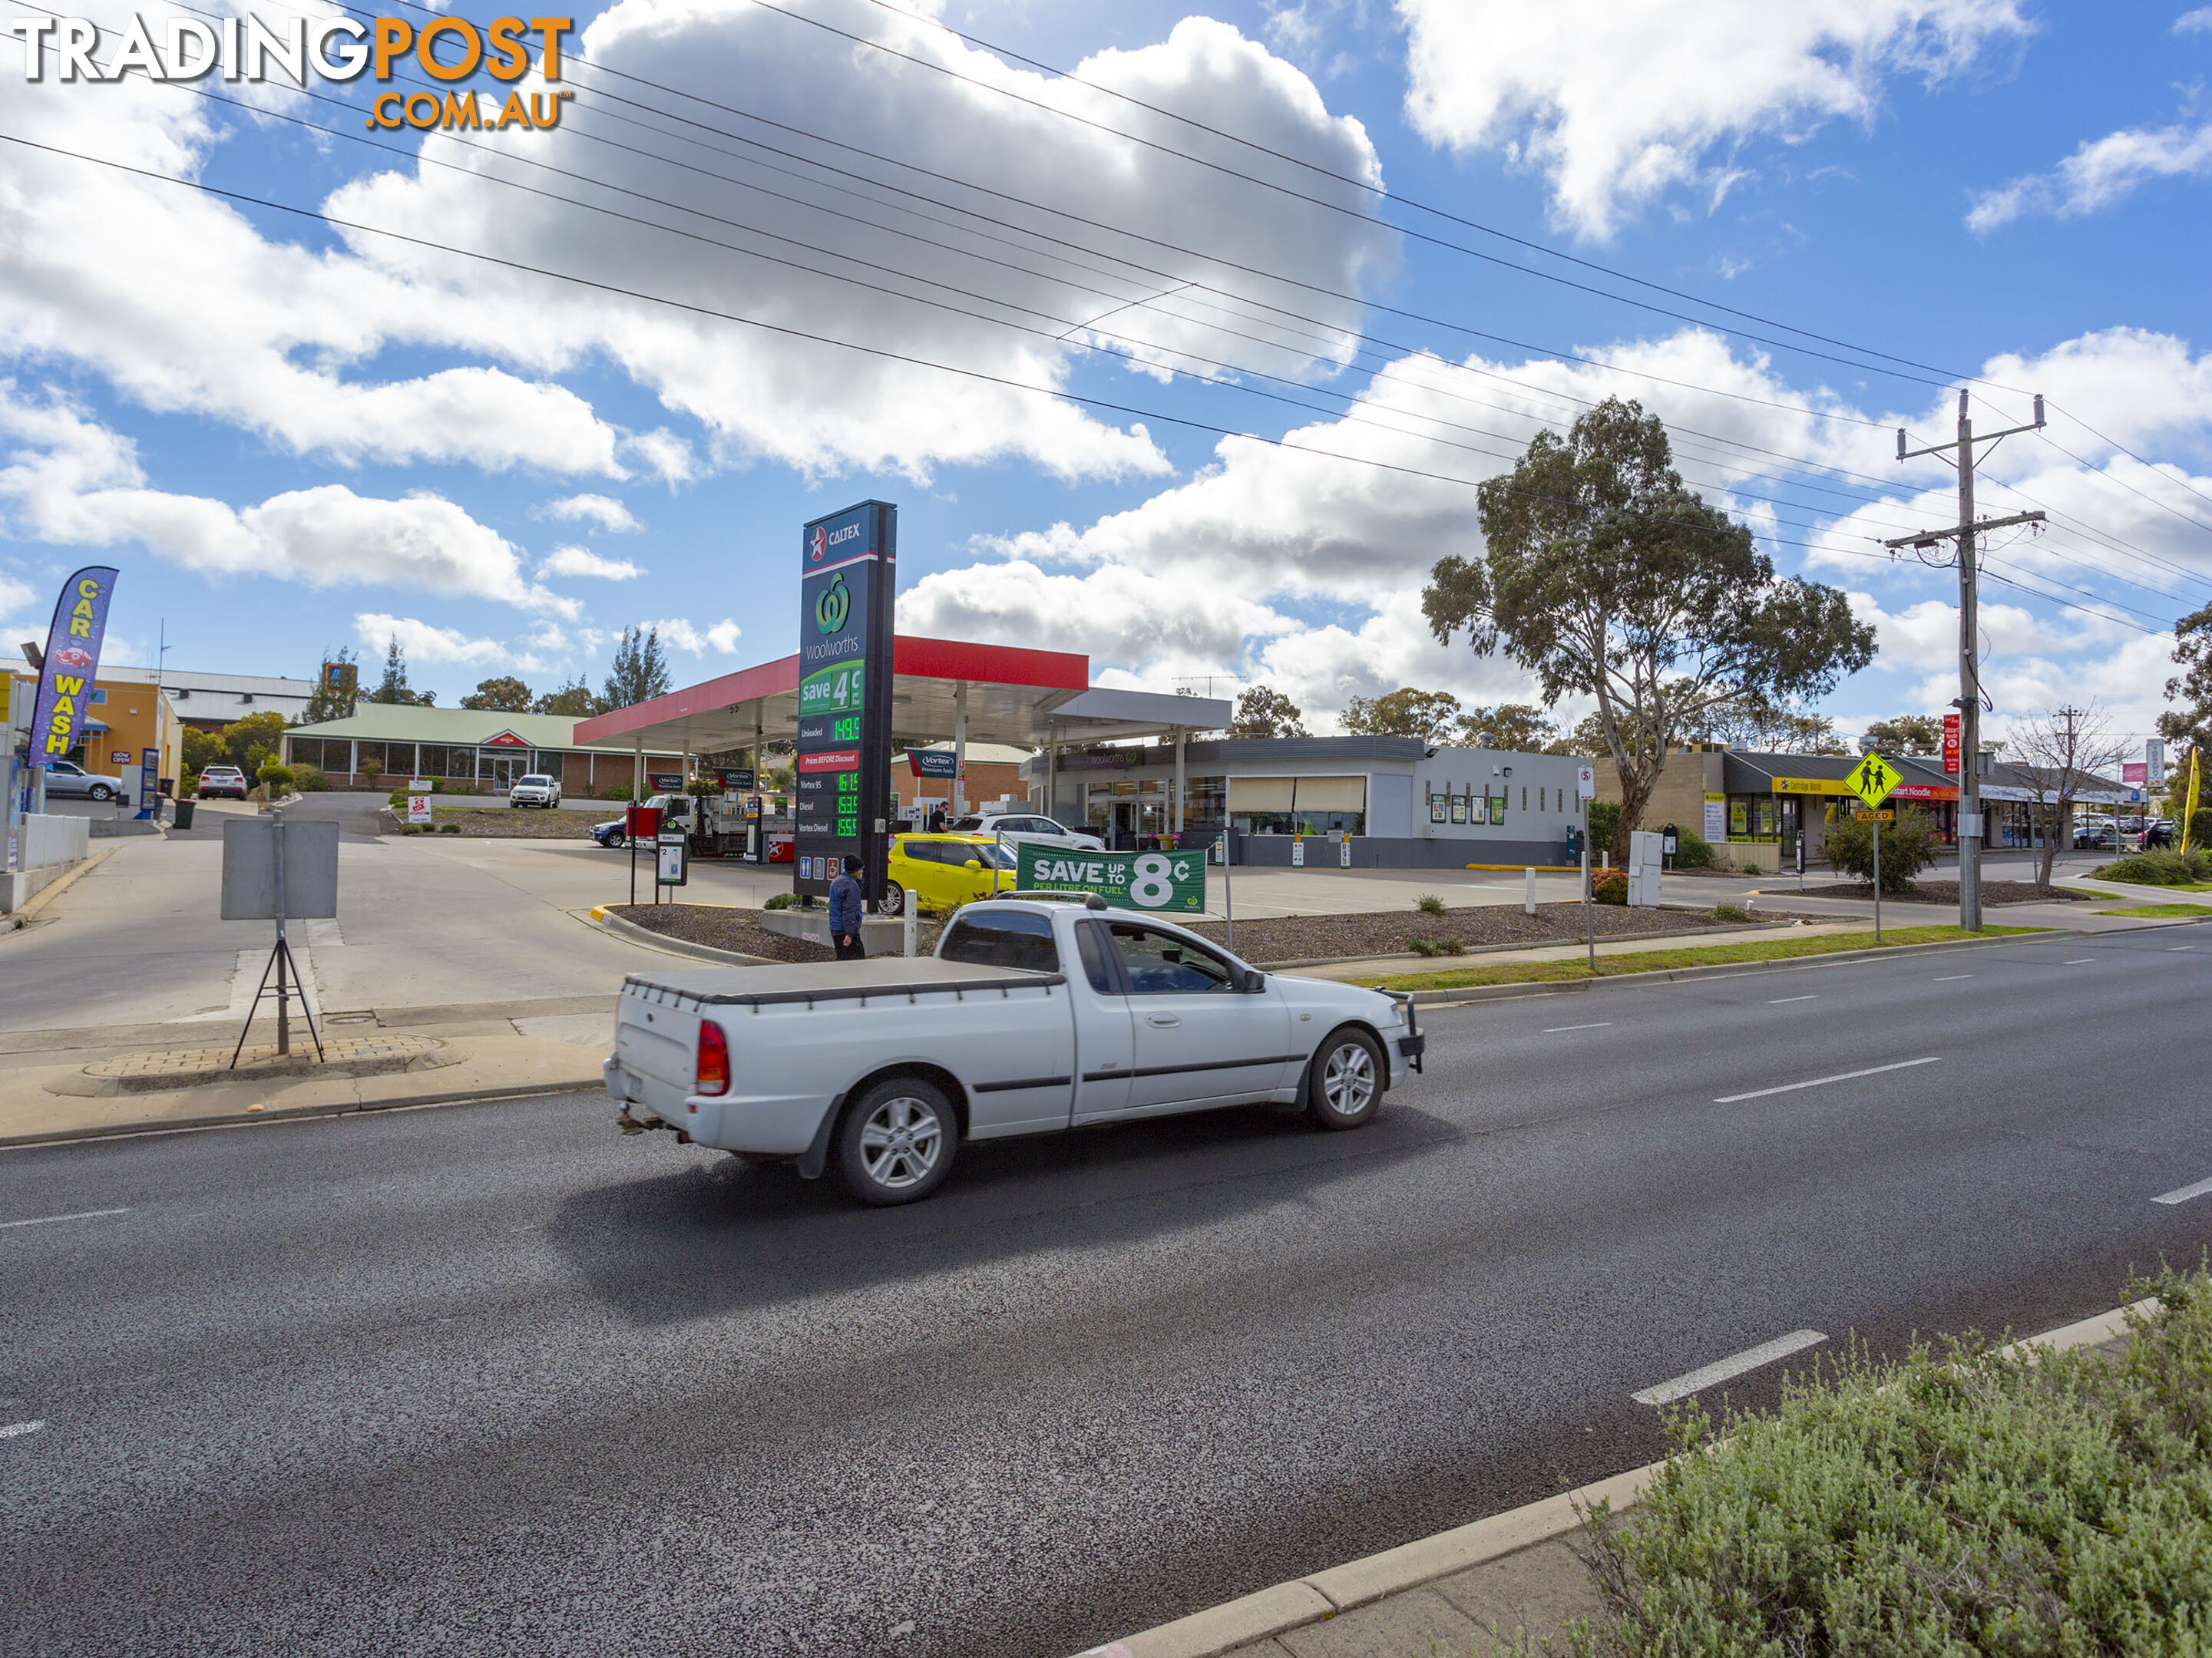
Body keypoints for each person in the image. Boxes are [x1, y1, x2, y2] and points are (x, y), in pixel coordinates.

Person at [828, 854, 866, 960]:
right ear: (854, 870)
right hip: (847, 932)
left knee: (842, 961)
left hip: (836, 929)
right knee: (856, 963)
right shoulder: (851, 886)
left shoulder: (837, 881)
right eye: (860, 869)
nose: (862, 872)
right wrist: (849, 935)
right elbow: (850, 911)